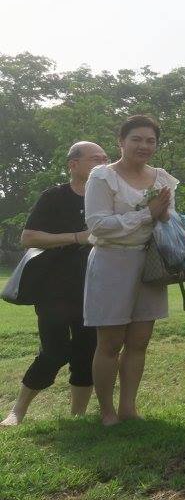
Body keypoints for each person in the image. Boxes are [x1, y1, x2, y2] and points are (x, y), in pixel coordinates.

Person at [2, 142, 109, 426]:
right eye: (95, 158)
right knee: (54, 352)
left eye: (105, 158)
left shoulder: (111, 198)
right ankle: (17, 411)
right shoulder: (54, 197)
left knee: (87, 353)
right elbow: (28, 238)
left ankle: (78, 416)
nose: (103, 162)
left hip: (95, 289)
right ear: (73, 164)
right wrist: (76, 238)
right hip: (54, 291)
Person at [83, 115, 178, 426]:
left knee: (139, 341)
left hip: (150, 263)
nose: (144, 146)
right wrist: (146, 214)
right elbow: (98, 225)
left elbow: (167, 219)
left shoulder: (162, 178)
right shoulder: (102, 176)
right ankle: (106, 412)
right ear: (121, 142)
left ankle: (128, 408)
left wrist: (163, 214)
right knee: (110, 342)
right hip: (112, 261)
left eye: (151, 140)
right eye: (136, 139)